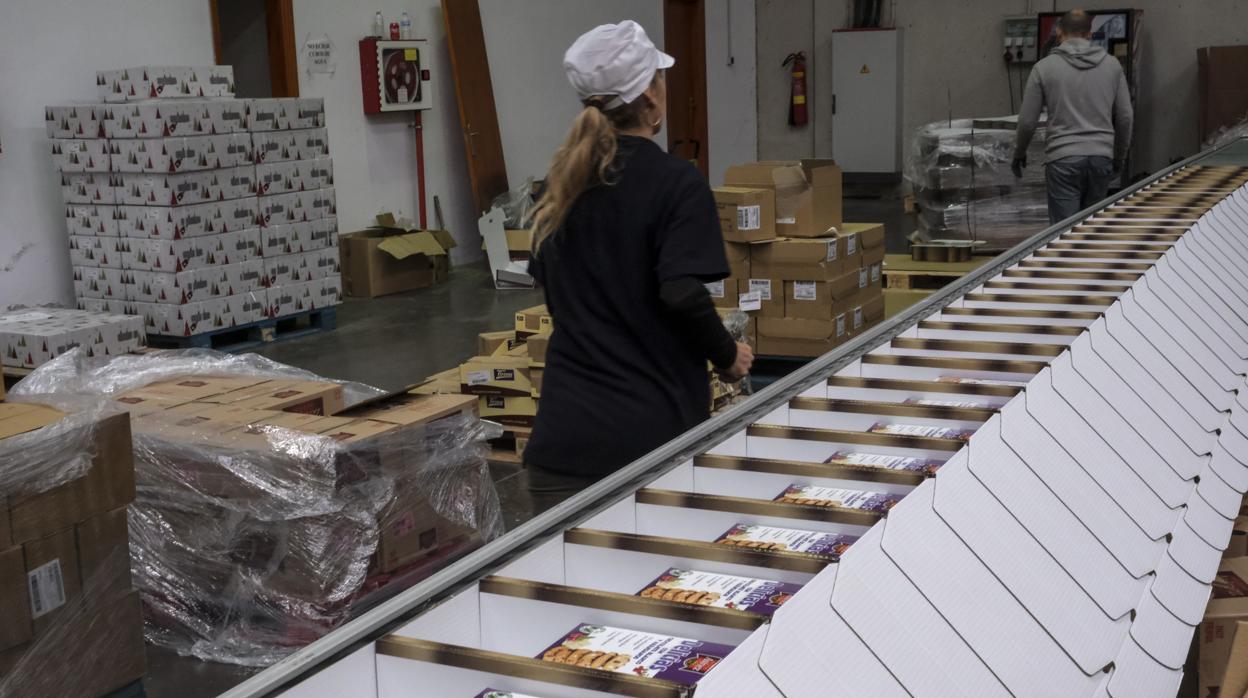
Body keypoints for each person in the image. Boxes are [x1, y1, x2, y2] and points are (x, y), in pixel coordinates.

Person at [522, 20, 753, 511]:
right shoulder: (676, 183)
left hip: (560, 453)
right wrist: (728, 356)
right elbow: (681, 292)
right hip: (648, 450)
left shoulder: (556, 190)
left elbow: (557, 292)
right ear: (650, 96)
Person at [1012, 9, 1134, 224]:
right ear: (1090, 34)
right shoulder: (1113, 65)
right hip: (1100, 157)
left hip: (1063, 159)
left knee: (1064, 233)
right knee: (1089, 232)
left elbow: (1028, 120)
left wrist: (1020, 152)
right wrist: (1119, 156)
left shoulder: (1043, 68)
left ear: (1059, 32)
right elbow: (1125, 117)